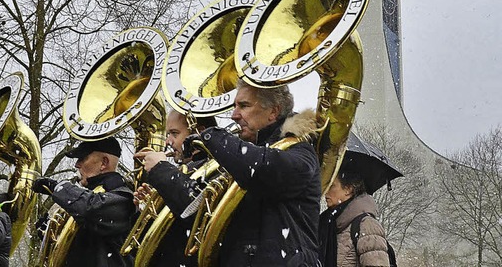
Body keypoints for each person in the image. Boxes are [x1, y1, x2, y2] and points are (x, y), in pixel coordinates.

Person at [192, 79, 320, 266]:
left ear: (273, 112)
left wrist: (214, 137)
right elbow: (194, 209)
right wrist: (163, 174)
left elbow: (261, 168)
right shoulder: (243, 158)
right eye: (235, 106)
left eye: (244, 106)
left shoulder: (300, 151)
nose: (234, 115)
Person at [132, 110, 217, 267]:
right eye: (167, 134)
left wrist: (160, 169)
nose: (167, 142)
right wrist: (148, 209)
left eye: (174, 133)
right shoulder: (179, 174)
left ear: (199, 132)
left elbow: (195, 210)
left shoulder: (215, 167)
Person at [32, 137, 135, 267]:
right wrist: (50, 236)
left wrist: (58, 188)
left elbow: (91, 209)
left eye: (82, 158)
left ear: (104, 162)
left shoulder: (124, 198)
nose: (77, 164)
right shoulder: (86, 200)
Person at [318, 163, 391, 267]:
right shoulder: (328, 223)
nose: (326, 192)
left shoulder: (367, 226)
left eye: (332, 186)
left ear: (348, 189)